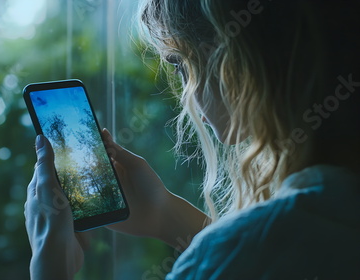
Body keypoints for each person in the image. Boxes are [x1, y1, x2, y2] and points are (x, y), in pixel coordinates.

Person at [25, 0, 360, 279]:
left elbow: (245, 255)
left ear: (228, 64)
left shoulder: (242, 251)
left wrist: (48, 264)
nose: (188, 99)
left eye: (181, 66)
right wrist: (163, 215)